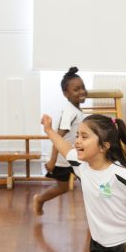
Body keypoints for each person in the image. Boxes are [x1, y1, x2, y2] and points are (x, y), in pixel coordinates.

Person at [41, 113, 126, 252]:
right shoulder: (82, 166)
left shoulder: (119, 175)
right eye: (77, 136)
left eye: (84, 136)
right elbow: (64, 148)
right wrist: (49, 130)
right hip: (103, 244)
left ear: (104, 146)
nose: (77, 141)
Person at [33, 67, 87, 216]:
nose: (82, 91)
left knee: (87, 186)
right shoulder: (69, 112)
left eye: (83, 87)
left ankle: (94, 217)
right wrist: (52, 161)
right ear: (66, 94)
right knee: (62, 188)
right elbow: (58, 138)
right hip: (63, 160)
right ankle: (40, 199)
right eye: (76, 89)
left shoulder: (76, 110)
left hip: (75, 158)